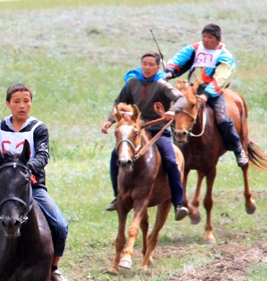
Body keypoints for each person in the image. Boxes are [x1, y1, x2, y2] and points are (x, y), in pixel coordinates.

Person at [0, 83, 69, 281]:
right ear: (8, 104)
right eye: (17, 101)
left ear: (31, 103)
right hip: (2, 190)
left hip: (32, 187)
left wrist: (25, 169)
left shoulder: (38, 128)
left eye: (26, 101)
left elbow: (43, 155)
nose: (22, 106)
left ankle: (54, 268)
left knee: (60, 225)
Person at [101, 52, 189, 221]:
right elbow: (117, 104)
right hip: (136, 131)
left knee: (171, 160)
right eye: (144, 64)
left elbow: (181, 99)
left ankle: (178, 202)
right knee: (115, 156)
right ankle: (117, 196)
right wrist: (110, 120)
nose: (147, 67)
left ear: (158, 67)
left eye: (151, 64)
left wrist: (172, 110)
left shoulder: (162, 84)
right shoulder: (132, 83)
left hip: (157, 131)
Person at [165, 23, 248, 166]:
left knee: (222, 119)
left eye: (209, 37)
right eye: (204, 36)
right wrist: (170, 71)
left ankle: (238, 150)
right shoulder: (195, 48)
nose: (205, 40)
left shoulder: (225, 55)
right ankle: (176, 148)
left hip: (213, 92)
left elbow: (222, 77)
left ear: (218, 39)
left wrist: (207, 95)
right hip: (191, 90)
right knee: (175, 115)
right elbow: (179, 58)